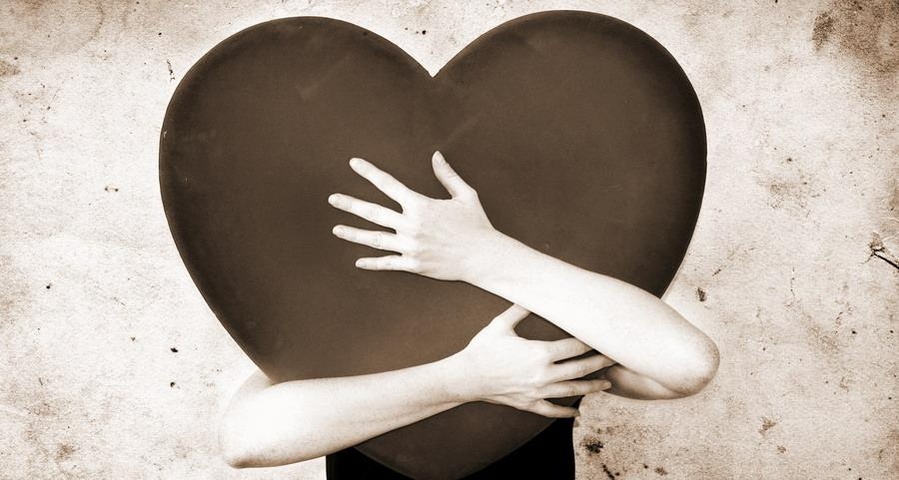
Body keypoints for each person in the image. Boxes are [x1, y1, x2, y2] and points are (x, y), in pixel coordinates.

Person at [219, 151, 720, 478]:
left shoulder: (543, 326)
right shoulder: (337, 322)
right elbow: (246, 440)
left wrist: (485, 255)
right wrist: (466, 379)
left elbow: (689, 365)